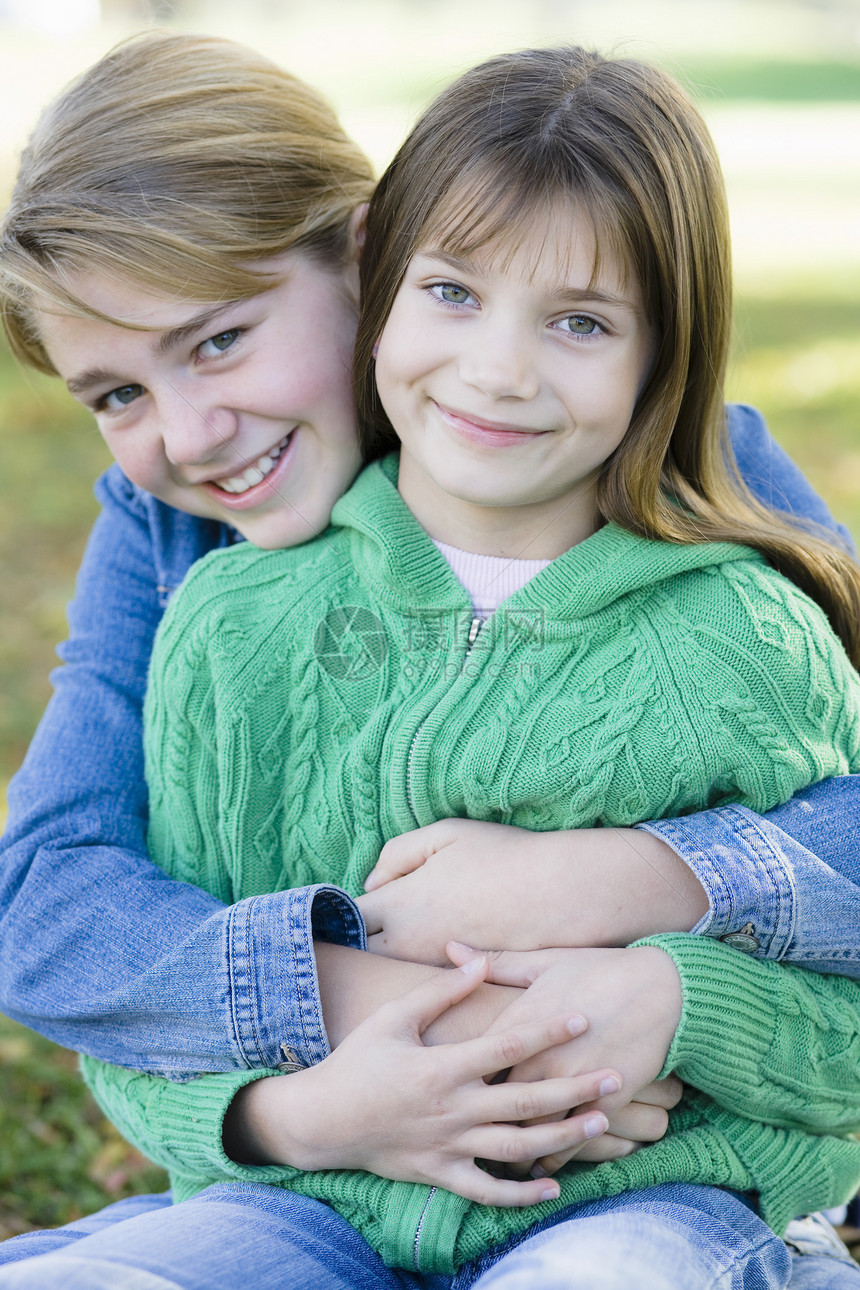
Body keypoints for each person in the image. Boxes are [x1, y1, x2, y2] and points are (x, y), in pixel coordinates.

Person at [0, 33, 859, 1289]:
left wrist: (618, 882)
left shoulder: (672, 470)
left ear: (367, 255)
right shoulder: (183, 536)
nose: (188, 434)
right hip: (331, 1179)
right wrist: (351, 1052)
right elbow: (47, 900)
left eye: (219, 340)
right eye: (114, 395)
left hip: (638, 1186)